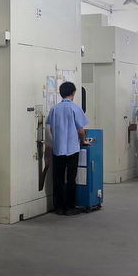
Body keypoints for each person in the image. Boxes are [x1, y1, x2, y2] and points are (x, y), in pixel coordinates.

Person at [46, 81, 89, 216]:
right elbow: (81, 130)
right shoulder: (75, 108)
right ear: (73, 93)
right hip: (72, 149)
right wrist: (83, 140)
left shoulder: (54, 109)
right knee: (71, 178)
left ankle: (59, 207)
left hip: (58, 149)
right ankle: (70, 208)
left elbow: (51, 129)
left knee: (58, 178)